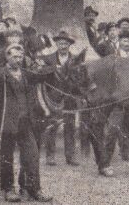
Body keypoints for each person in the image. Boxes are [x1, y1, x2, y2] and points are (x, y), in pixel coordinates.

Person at [0, 43, 52, 202]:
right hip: (7, 124)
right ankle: (9, 190)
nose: (18, 59)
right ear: (7, 57)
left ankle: (33, 189)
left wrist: (41, 62)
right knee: (7, 157)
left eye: (20, 57)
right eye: (14, 56)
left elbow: (46, 74)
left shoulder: (26, 74)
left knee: (33, 155)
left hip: (25, 123)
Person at [43, 31, 80, 167]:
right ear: (56, 44)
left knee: (70, 127)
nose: (63, 46)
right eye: (60, 43)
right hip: (53, 99)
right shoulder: (48, 58)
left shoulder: (76, 59)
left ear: (69, 45)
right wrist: (54, 68)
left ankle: (70, 157)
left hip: (70, 98)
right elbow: (42, 74)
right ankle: (50, 156)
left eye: (65, 43)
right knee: (52, 126)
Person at [104, 31, 129, 165]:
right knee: (113, 128)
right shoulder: (113, 58)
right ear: (119, 42)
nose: (127, 44)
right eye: (124, 41)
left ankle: (127, 152)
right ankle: (106, 156)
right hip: (117, 101)